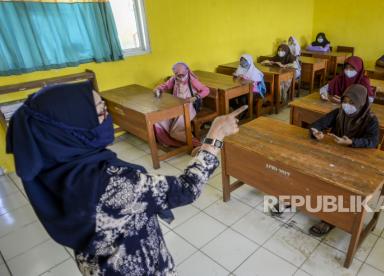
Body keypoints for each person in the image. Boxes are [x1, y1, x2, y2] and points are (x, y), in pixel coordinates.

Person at [6, 80, 248, 275]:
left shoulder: (49, 167)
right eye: (101, 112)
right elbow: (187, 188)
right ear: (74, 128)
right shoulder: (109, 182)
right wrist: (215, 134)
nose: (109, 116)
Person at [309, 84, 379, 236]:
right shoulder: (339, 112)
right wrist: (316, 132)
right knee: (309, 170)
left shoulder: (371, 120)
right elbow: (317, 124)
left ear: (361, 103)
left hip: (357, 160)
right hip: (335, 153)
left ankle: (330, 219)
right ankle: (299, 198)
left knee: (338, 185)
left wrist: (352, 142)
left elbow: (372, 142)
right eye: (345, 101)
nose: (347, 105)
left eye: (352, 102)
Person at [153, 62, 210, 147]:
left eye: (182, 75)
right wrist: (158, 89)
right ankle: (169, 141)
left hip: (188, 107)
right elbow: (165, 86)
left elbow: (206, 90)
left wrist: (195, 97)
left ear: (187, 71)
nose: (181, 77)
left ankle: (197, 144)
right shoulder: (174, 79)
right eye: (178, 75)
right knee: (159, 120)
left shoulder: (192, 80)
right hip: (176, 105)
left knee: (175, 131)